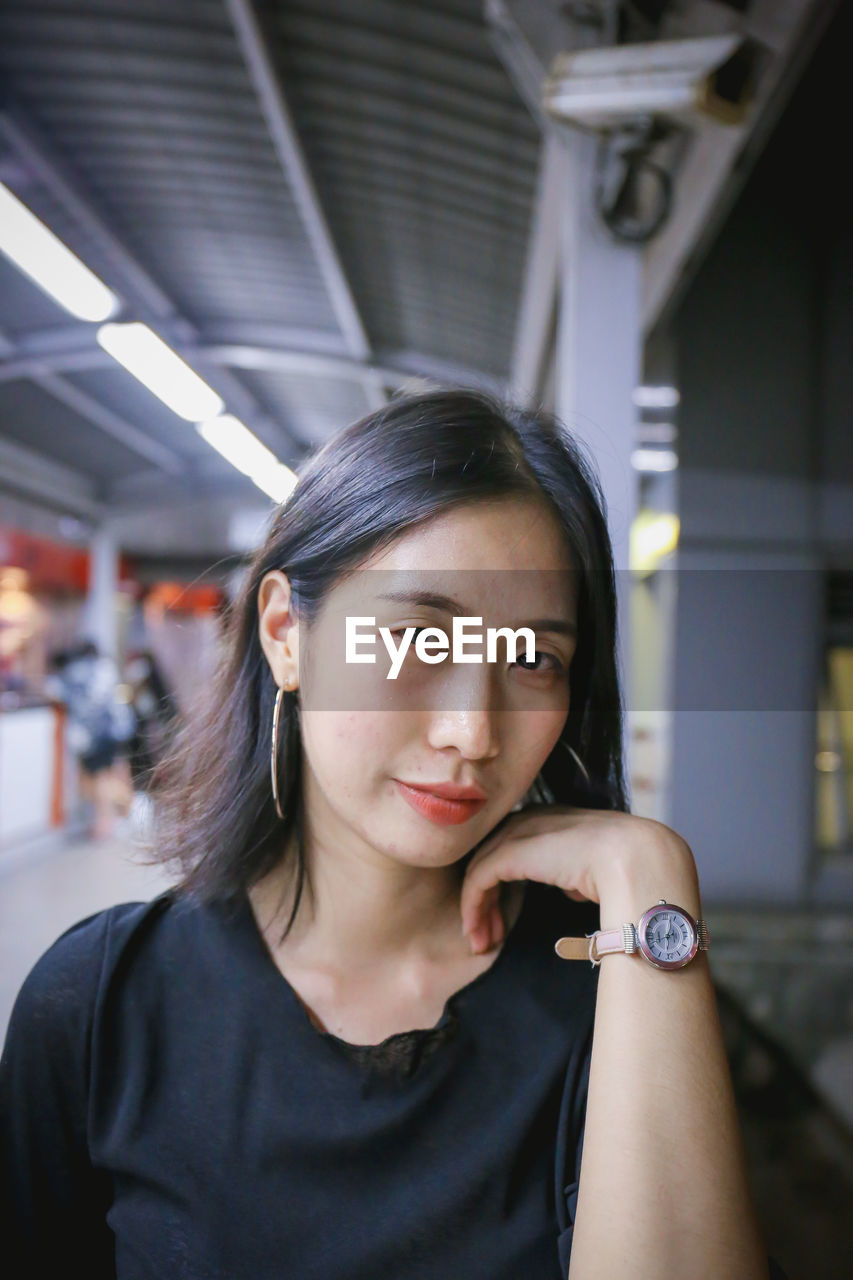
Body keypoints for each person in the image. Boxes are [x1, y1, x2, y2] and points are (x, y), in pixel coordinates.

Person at [0, 391, 786, 1278]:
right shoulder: (102, 1009)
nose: (473, 732)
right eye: (418, 638)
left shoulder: (613, 991)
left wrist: (648, 867)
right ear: (285, 634)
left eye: (533, 660)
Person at [44, 638, 136, 840]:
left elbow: (53, 692)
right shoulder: (104, 668)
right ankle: (123, 812)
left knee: (99, 780)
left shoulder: (71, 675)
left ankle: (107, 823)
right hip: (117, 730)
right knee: (110, 774)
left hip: (93, 735)